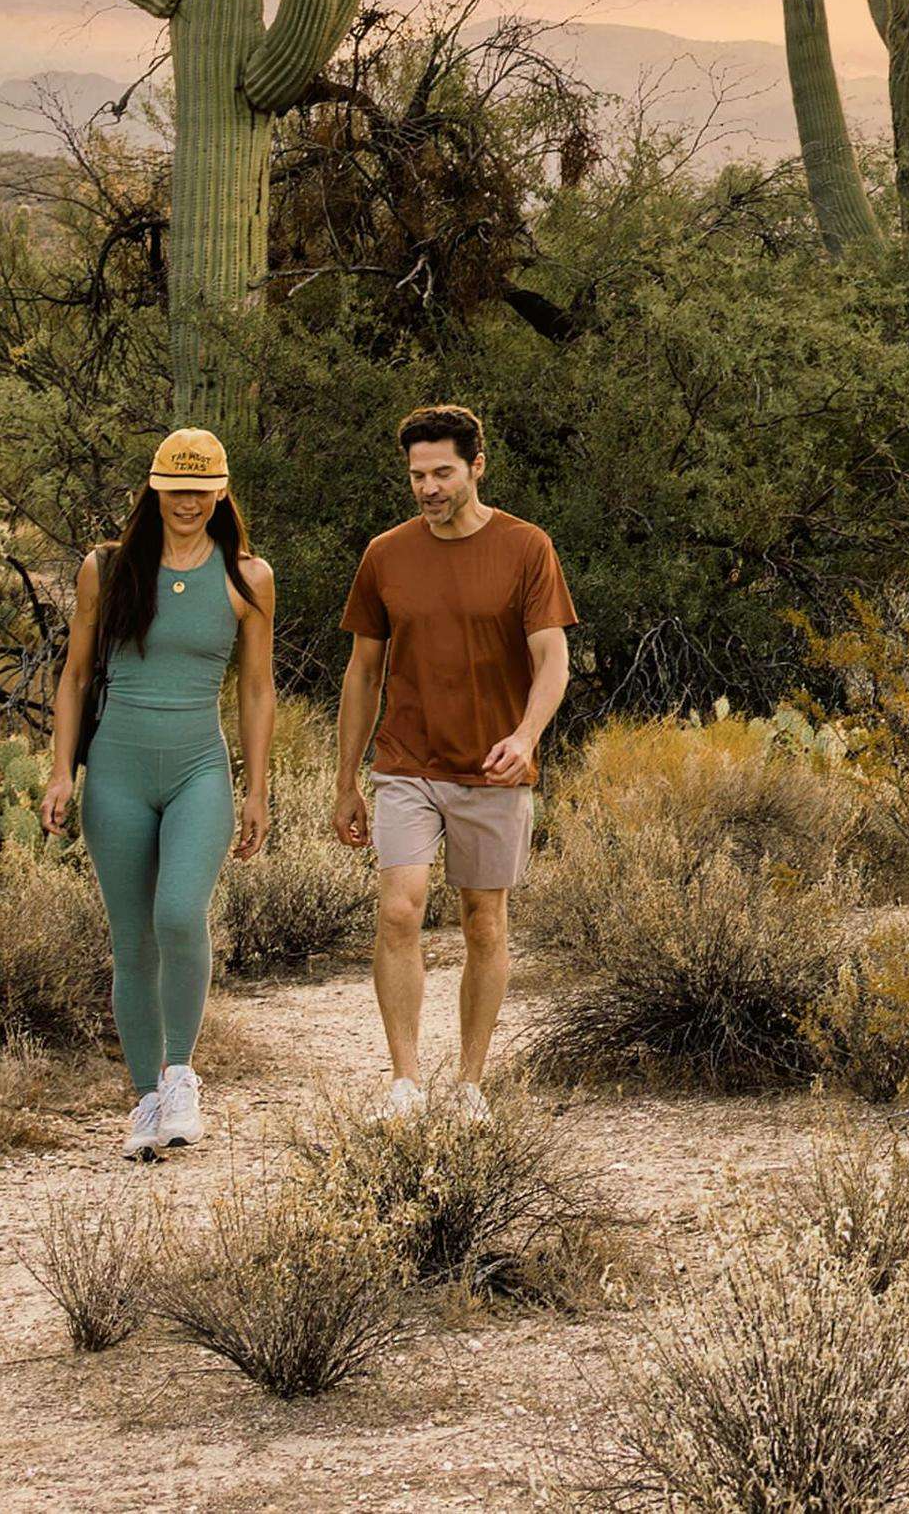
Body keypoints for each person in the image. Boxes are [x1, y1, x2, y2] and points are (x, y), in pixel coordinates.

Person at [332, 405, 577, 1122]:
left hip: (494, 768)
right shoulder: (385, 554)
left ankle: (470, 1084)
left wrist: (527, 736)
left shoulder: (527, 547)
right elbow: (362, 673)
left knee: (483, 922)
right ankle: (405, 1084)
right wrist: (347, 780)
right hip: (407, 763)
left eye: (442, 472)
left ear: (477, 466)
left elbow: (551, 658)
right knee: (399, 910)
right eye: (417, 476)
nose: (429, 488)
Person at [41, 428, 276, 1158]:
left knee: (179, 913)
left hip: (198, 769)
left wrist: (258, 789)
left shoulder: (248, 578)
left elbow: (258, 689)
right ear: (153, 488)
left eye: (201, 488)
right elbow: (75, 676)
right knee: (132, 941)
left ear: (221, 491)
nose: (187, 502)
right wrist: (59, 772)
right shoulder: (107, 569)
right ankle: (147, 1099)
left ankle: (181, 1076)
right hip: (115, 772)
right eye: (175, 488)